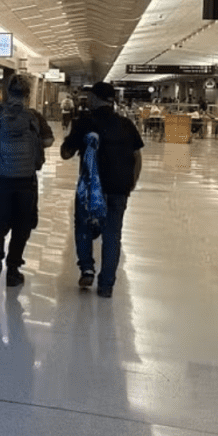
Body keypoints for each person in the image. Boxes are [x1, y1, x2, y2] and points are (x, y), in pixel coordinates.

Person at [0, 74, 54, 293]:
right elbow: (48, 141)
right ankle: (13, 271)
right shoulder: (33, 116)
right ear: (28, 94)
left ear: (7, 92)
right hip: (26, 182)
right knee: (22, 225)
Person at [61, 82, 144, 298]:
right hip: (119, 188)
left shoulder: (85, 122)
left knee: (83, 227)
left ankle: (87, 268)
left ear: (95, 99)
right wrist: (132, 182)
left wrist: (72, 140)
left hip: (91, 188)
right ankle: (106, 285)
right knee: (112, 235)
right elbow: (137, 157)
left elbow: (66, 153)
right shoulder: (127, 124)